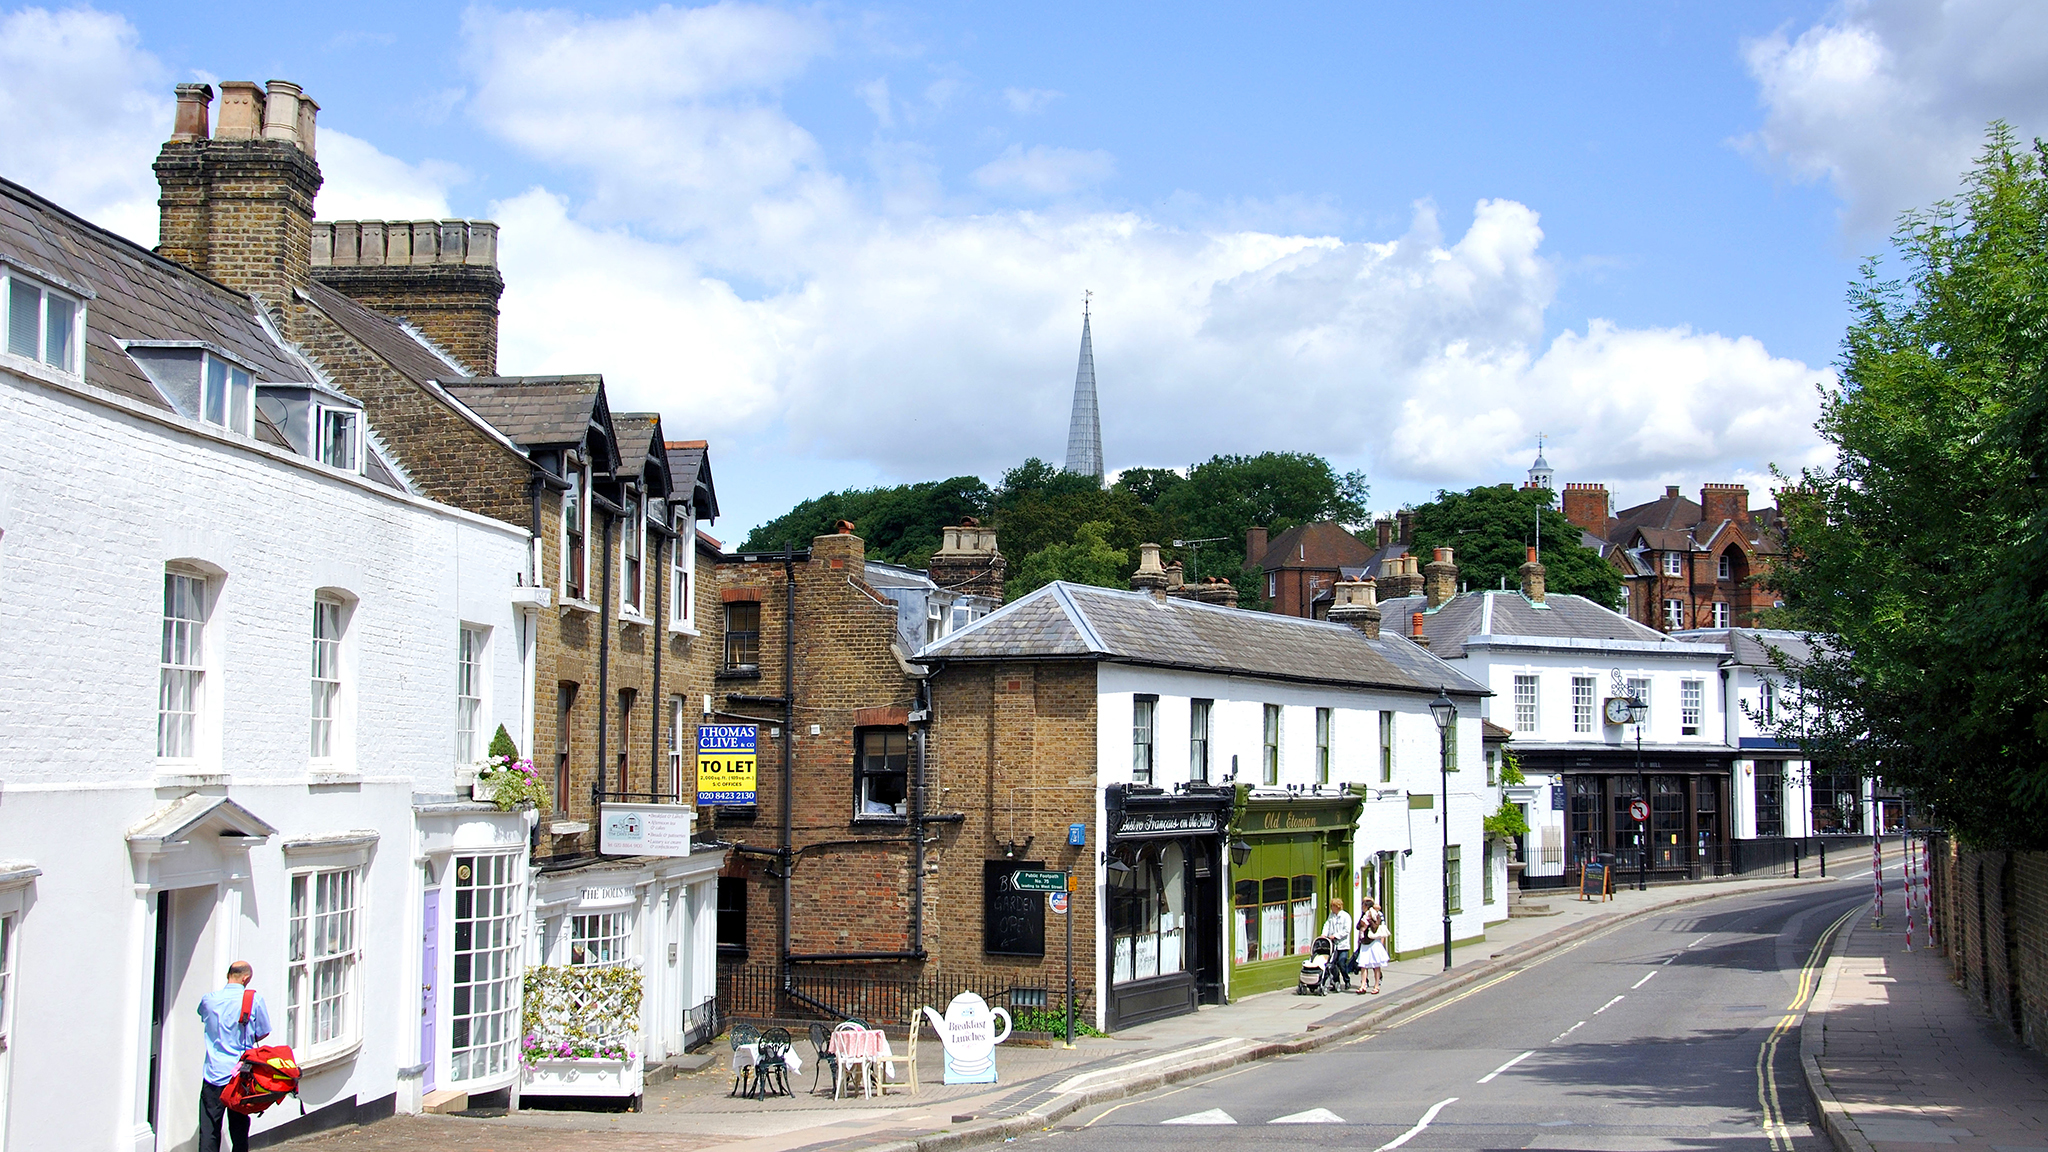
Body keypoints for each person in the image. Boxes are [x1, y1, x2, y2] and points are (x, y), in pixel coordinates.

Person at [198, 960, 270, 1152]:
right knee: (239, 1130)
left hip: (213, 1073)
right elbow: (263, 1032)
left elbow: (202, 1015)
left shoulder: (209, 1000)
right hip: (239, 1076)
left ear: (228, 975)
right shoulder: (254, 1001)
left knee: (209, 1129)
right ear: (246, 978)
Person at [1355, 898, 1389, 994]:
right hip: (1365, 942)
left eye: (1363, 905)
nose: (1362, 907)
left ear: (1367, 906)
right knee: (1363, 965)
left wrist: (1369, 921)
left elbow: (1375, 928)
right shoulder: (1363, 915)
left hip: (1373, 942)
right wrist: (1363, 922)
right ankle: (1363, 985)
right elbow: (1358, 926)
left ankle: (1376, 985)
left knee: (1376, 965)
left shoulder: (1376, 915)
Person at [1319, 898, 1355, 991]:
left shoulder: (1345, 916)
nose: (1331, 908)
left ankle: (1346, 980)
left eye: (1333, 906)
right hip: (1332, 945)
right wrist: (1324, 934)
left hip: (1343, 945)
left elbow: (1346, 930)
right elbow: (1327, 925)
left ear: (1337, 906)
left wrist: (1335, 936)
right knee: (1332, 965)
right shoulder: (1331, 916)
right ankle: (1336, 982)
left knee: (1341, 963)